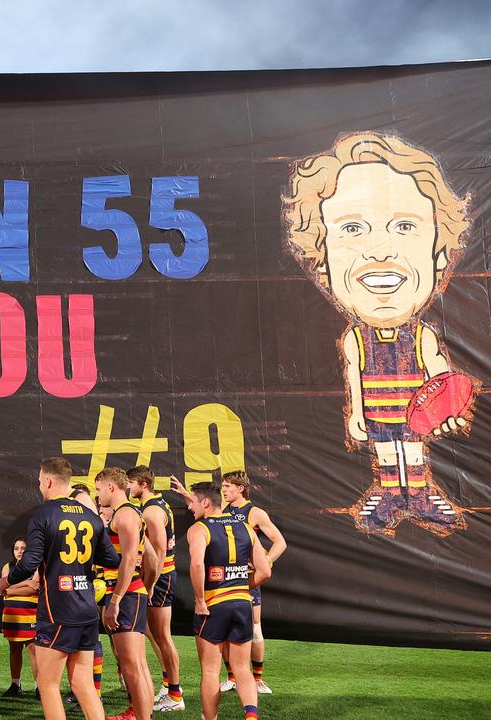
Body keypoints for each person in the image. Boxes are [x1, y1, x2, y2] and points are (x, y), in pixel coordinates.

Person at [284, 132, 474, 537]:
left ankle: (420, 494)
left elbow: (441, 375)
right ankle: (391, 494)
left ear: (441, 254)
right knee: (388, 452)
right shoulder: (356, 338)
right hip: (379, 414)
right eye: (352, 227)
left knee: (412, 452)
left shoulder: (422, 336)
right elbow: (354, 376)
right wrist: (355, 415)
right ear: (323, 263)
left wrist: (448, 407)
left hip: (413, 413)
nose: (380, 250)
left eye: (405, 225)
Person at [0, 457, 118, 720]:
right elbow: (111, 559)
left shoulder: (42, 514)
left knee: (48, 684)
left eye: (40, 480)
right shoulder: (91, 516)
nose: (39, 484)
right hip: (86, 607)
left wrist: (6, 581)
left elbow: (29, 562)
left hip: (57, 610)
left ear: (49, 481)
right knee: (84, 684)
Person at [185, 482, 272, 720]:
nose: (190, 507)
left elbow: (196, 564)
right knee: (243, 668)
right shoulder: (245, 526)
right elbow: (265, 572)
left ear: (205, 503)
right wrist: (240, 585)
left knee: (211, 670)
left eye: (192, 501)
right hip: (243, 602)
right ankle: (251, 716)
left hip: (213, 604)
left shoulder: (199, 529)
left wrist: (200, 599)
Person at [218, 471, 285, 696]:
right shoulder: (224, 511)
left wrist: (265, 561)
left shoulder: (254, 512)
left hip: (248, 580)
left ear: (240, 488)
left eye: (228, 486)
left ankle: (257, 679)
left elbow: (279, 542)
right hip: (228, 579)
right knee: (226, 630)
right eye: (223, 486)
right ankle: (232, 677)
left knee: (255, 630)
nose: (224, 489)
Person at [96, 466, 155, 720]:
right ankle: (143, 715)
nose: (98, 495)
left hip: (126, 595)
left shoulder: (125, 515)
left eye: (99, 489)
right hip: (131, 592)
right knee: (138, 666)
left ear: (111, 487)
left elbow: (131, 559)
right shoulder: (127, 513)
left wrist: (117, 599)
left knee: (132, 667)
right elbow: (151, 559)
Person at [127, 466, 183, 712]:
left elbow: (159, 552)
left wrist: (149, 585)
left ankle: (175, 694)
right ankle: (167, 684)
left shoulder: (150, 511)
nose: (129, 487)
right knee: (153, 634)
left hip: (160, 578)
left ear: (143, 484)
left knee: (162, 637)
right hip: (161, 576)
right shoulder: (158, 503)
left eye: (131, 483)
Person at [0, 537, 38, 698]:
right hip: (11, 614)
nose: (20, 551)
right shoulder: (7, 567)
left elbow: (35, 587)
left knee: (33, 650)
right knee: (14, 650)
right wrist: (26, 586)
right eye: (16, 548)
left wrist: (12, 588)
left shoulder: (36, 566)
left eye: (23, 548)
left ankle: (39, 687)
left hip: (31, 615)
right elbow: (2, 589)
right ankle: (15, 685)